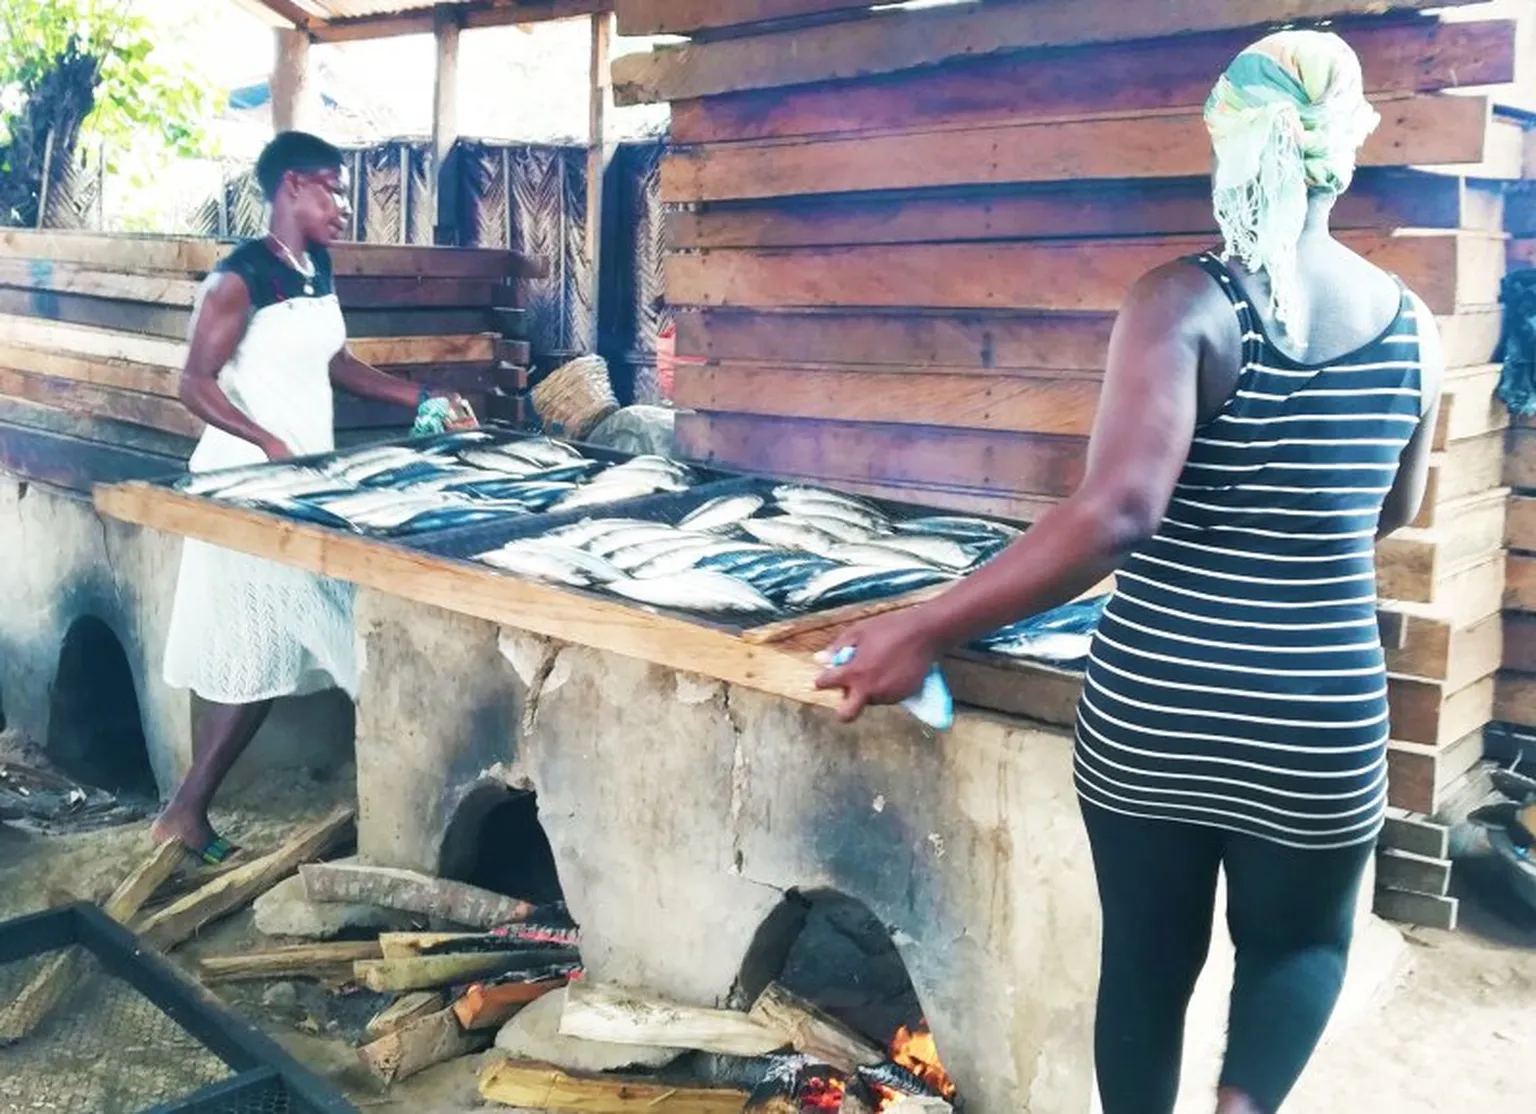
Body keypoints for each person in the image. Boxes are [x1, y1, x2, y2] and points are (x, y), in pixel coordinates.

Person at [814, 31, 1443, 1114]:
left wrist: (923, 626)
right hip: (1318, 713)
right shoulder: (1414, 329)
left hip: (1161, 707)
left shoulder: (1184, 302)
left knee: (1149, 966)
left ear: (1229, 143)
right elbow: (1395, 508)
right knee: (1298, 945)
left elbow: (1118, 513)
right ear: (1341, 154)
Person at [154, 131, 469, 863]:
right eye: (332, 190)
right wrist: (263, 438)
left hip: (302, 486)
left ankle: (185, 811)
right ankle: (188, 809)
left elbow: (335, 362)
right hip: (243, 488)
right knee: (306, 645)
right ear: (292, 185)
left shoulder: (314, 267)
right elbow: (192, 383)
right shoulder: (237, 279)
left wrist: (419, 397)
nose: (343, 208)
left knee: (252, 651)